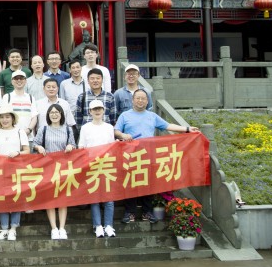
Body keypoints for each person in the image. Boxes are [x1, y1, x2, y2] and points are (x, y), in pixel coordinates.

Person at [115, 89, 200, 223]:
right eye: (138, 98)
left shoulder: (152, 116)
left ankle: (147, 212)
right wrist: (123, 135)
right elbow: (116, 131)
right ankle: (130, 213)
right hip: (131, 156)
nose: (140, 101)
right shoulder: (125, 115)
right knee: (130, 184)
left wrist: (187, 129)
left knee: (148, 184)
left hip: (148, 155)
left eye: (143, 98)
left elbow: (168, 126)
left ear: (147, 101)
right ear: (132, 100)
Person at [32, 103, 75, 240]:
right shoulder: (43, 129)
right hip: (48, 168)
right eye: (52, 113)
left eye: (57, 112)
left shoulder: (68, 129)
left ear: (61, 114)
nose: (54, 115)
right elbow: (35, 143)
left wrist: (70, 146)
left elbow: (74, 145)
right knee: (50, 198)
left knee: (62, 198)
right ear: (48, 115)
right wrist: (38, 147)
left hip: (63, 168)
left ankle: (62, 227)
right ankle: (54, 228)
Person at [0, 104, 29, 241]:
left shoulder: (20, 132)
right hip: (0, 170)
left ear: (12, 118)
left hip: (16, 169)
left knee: (16, 197)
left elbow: (27, 150)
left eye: (7, 117)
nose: (5, 120)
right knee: (2, 198)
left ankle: (13, 228)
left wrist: (17, 152)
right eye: (2, 117)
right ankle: (4, 228)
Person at [78, 99, 116, 238]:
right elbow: (81, 146)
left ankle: (109, 225)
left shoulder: (109, 127)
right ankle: (98, 225)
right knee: (94, 197)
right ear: (90, 111)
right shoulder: (85, 127)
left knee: (109, 197)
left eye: (99, 108)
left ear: (104, 110)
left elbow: (112, 146)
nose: (97, 111)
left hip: (107, 165)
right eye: (95, 109)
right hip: (92, 165)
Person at [74, 68, 116, 135]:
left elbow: (113, 118)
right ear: (88, 81)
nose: (95, 80)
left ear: (102, 80)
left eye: (98, 78)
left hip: (105, 133)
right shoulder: (82, 97)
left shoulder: (110, 97)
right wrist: (82, 132)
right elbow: (78, 118)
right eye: (92, 78)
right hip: (88, 133)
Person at [2, 70, 38, 147]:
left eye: (21, 78)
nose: (19, 80)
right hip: (11, 137)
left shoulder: (31, 97)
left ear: (25, 81)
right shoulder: (7, 97)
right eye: (16, 78)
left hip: (28, 138)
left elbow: (34, 117)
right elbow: (3, 117)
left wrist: (28, 130)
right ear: (12, 81)